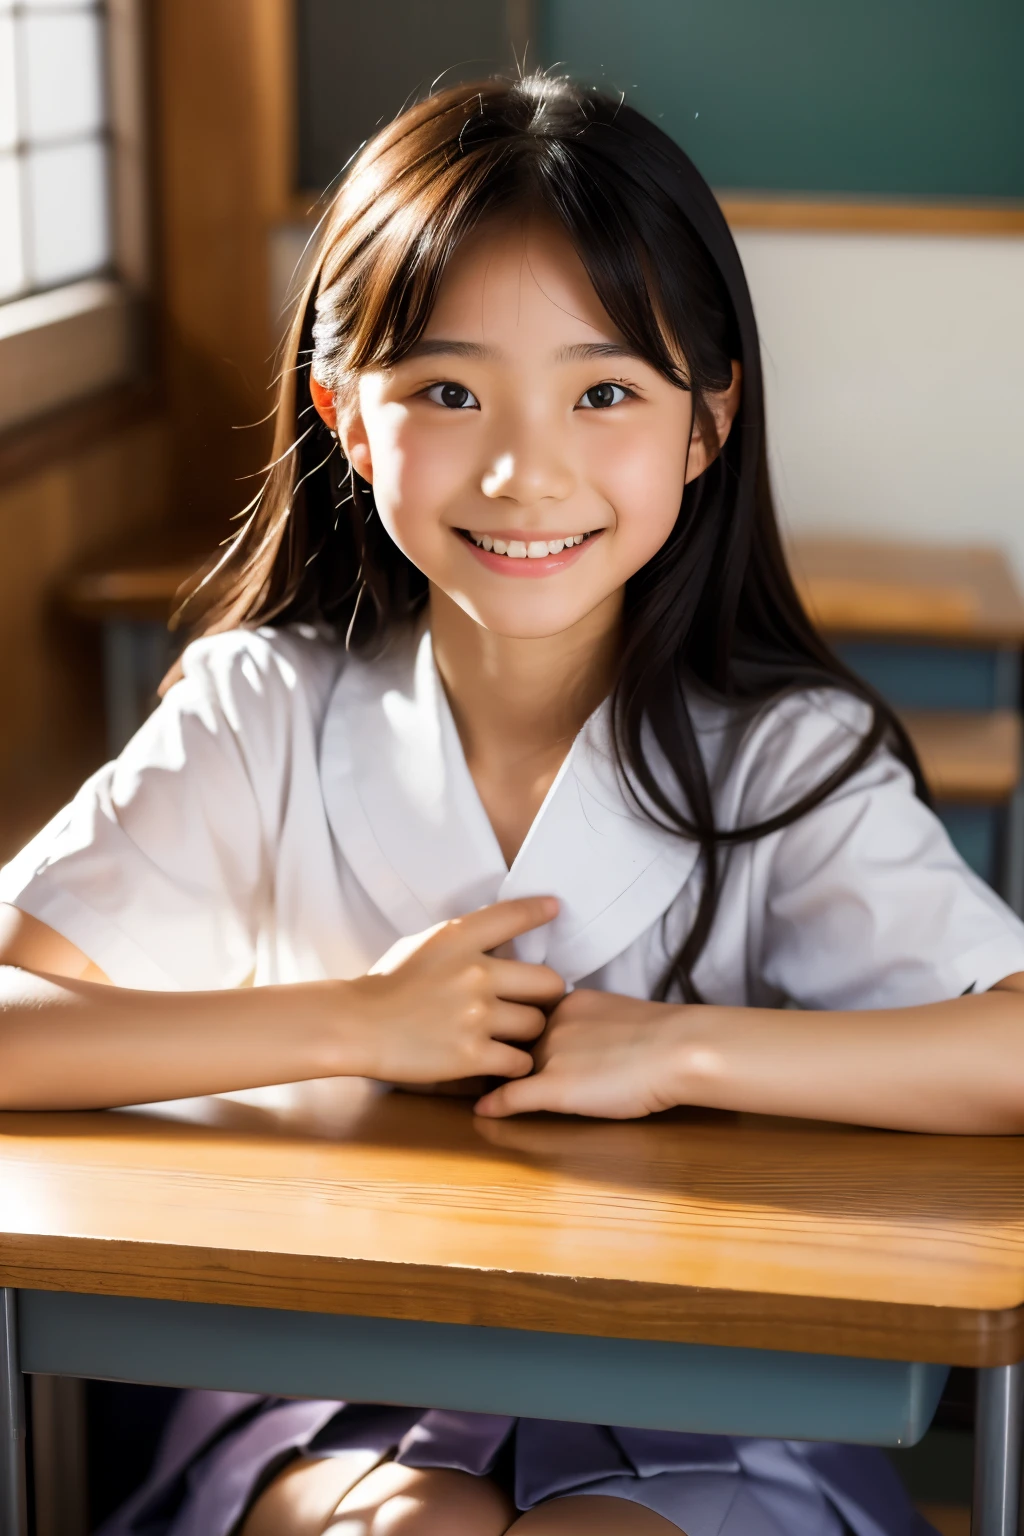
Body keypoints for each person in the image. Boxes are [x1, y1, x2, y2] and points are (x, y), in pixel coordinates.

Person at [1, 72, 1022, 1536]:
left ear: (705, 425)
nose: (521, 470)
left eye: (603, 392)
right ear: (347, 420)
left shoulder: (783, 755)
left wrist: (679, 1050)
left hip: (716, 1388)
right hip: (321, 1379)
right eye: (446, 391)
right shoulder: (257, 709)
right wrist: (355, 1022)